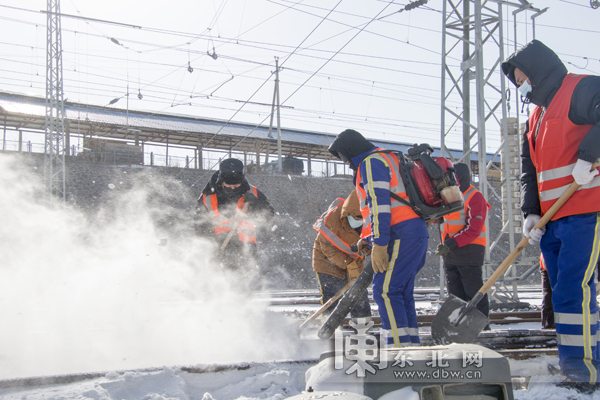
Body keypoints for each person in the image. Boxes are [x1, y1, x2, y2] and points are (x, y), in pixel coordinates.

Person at [502, 39, 600, 391]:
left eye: (523, 78)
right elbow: (530, 170)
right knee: (562, 294)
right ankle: (573, 364)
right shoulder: (536, 117)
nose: (522, 86)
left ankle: (584, 371)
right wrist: (530, 212)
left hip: (587, 209)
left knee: (575, 288)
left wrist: (588, 157)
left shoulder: (582, 88)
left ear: (539, 70)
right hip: (553, 219)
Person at [328, 129, 429, 347]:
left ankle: (397, 350)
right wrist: (368, 238)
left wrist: (380, 244)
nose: (347, 164)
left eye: (345, 159)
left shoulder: (370, 163)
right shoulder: (390, 156)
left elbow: (380, 206)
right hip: (415, 231)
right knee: (401, 292)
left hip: (399, 233)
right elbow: (385, 204)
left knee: (386, 291)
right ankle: (411, 345)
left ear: (352, 151)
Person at [195, 158, 274, 270]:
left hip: (247, 251)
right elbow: (200, 226)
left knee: (243, 285)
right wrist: (211, 247)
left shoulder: (252, 193)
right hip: (219, 251)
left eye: (236, 186)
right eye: (229, 186)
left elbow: (268, 215)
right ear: (221, 181)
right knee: (220, 284)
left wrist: (255, 205)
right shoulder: (207, 197)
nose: (232, 188)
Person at [436, 162, 491, 323]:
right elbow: (445, 221)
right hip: (451, 253)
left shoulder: (475, 197)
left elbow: (474, 228)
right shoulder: (450, 195)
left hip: (469, 252)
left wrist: (450, 244)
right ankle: (458, 327)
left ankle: (480, 328)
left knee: (473, 295)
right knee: (455, 296)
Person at [312, 190, 372, 323]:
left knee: (359, 297)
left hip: (354, 263)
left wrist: (367, 249)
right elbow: (328, 248)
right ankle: (331, 333)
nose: (360, 221)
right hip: (327, 263)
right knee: (331, 299)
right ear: (348, 213)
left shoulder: (367, 221)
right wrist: (348, 264)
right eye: (357, 218)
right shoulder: (332, 220)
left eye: (362, 218)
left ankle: (363, 330)